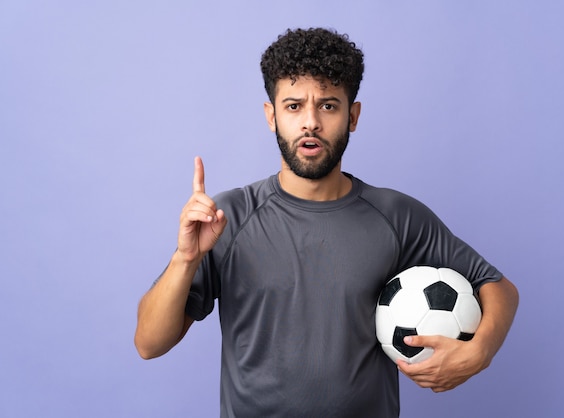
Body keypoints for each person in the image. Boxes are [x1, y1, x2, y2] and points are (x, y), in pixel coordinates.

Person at [134, 27, 519, 417]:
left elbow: (497, 286)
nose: (310, 123)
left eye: (329, 106)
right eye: (294, 106)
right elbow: (149, 343)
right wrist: (186, 259)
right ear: (271, 116)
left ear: (353, 116)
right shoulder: (226, 218)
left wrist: (480, 351)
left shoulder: (396, 217)